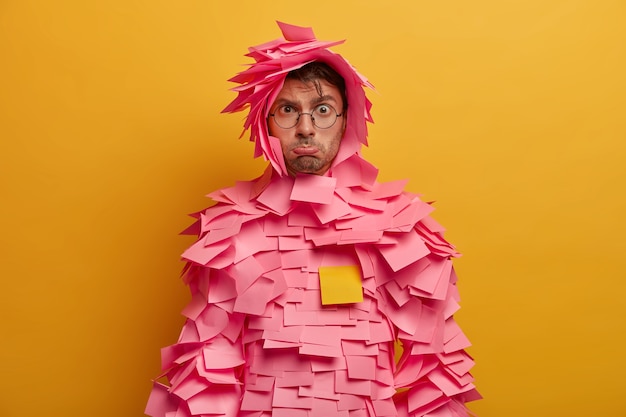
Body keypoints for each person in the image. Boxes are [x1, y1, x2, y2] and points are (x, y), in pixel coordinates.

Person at [145, 22, 480, 417]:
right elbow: (207, 363)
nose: (306, 128)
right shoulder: (228, 230)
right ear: (264, 122)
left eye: (322, 110)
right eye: (288, 110)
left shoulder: (400, 225)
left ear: (345, 119)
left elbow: (437, 372)